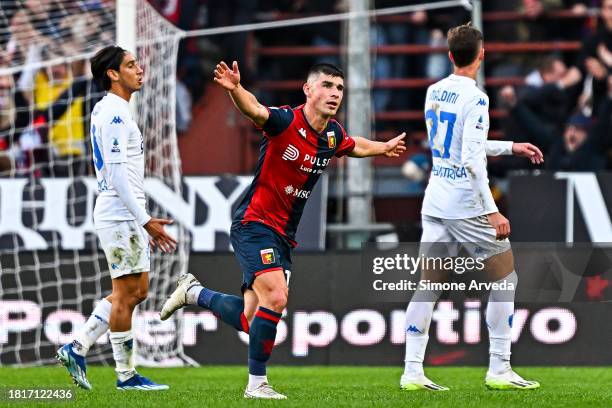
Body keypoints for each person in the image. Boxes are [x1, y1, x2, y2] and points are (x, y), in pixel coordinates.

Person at [160, 61, 407, 399]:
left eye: (339, 88)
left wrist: (382, 147)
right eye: (327, 86)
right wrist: (234, 89)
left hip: (284, 236)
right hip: (254, 223)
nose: (334, 93)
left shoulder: (332, 133)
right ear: (308, 90)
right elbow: (255, 110)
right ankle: (257, 384)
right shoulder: (286, 121)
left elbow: (354, 145)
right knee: (276, 297)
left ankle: (194, 293)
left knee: (251, 319)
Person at [400, 23, 544, 392]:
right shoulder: (477, 98)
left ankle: (412, 371)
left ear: (449, 56)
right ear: (482, 55)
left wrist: (511, 146)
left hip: (435, 199)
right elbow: (470, 159)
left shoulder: (434, 91)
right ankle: (499, 368)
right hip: (465, 203)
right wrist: (491, 210)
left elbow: (456, 146)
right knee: (505, 279)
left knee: (428, 285)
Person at [56, 45, 177, 391]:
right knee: (125, 295)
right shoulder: (113, 113)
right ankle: (126, 376)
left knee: (136, 291)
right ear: (112, 74)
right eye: (130, 64)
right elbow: (117, 173)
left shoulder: (115, 110)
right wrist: (145, 219)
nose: (139, 70)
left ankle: (76, 347)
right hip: (120, 212)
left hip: (125, 212)